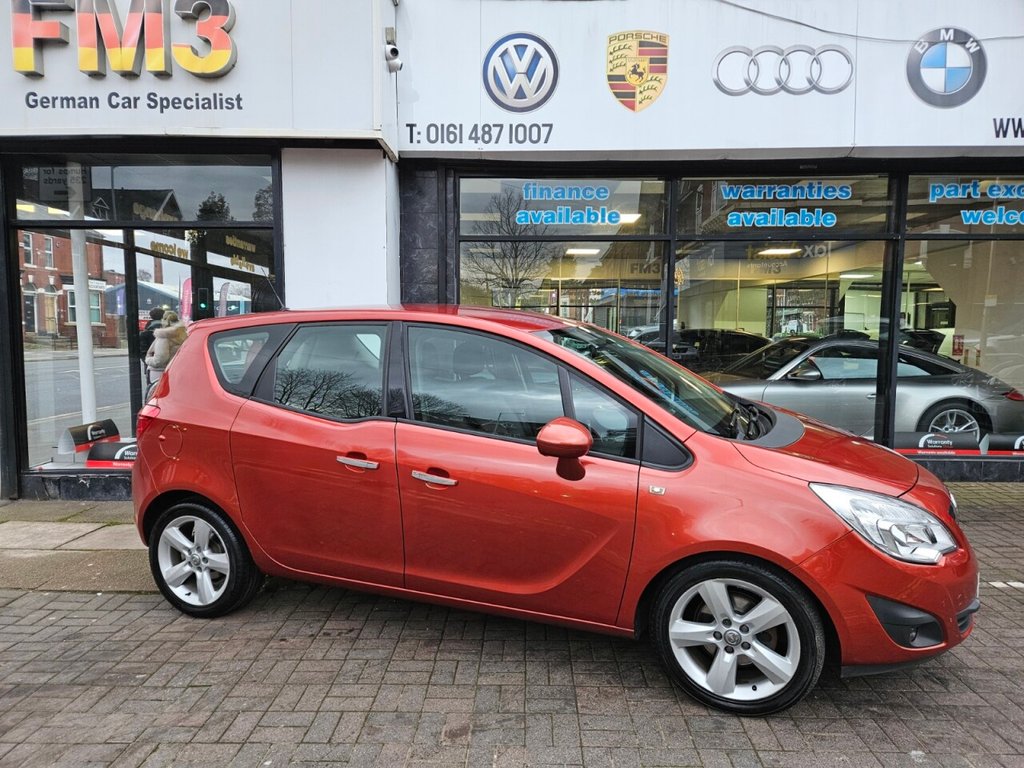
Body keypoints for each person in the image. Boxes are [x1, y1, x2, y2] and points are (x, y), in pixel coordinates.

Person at [145, 311, 188, 379]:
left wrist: (148, 359)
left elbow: (159, 360)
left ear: (163, 321)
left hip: (159, 372)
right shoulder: (183, 334)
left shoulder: (164, 336)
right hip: (176, 370)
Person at [140, 307, 165, 385]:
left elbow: (142, 351)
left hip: (151, 368)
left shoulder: (145, 333)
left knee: (152, 390)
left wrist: (149, 362)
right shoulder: (170, 331)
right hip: (168, 366)